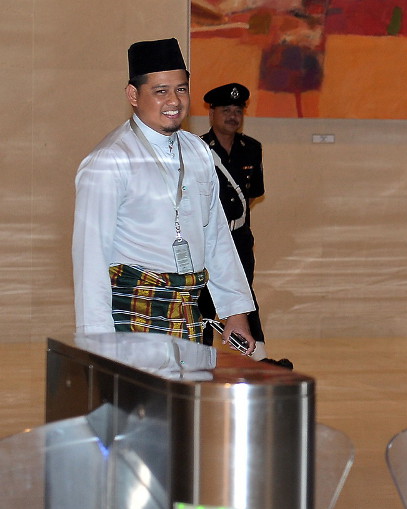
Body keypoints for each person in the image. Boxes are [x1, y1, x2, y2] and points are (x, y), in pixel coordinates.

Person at [72, 38, 256, 355]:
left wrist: (235, 311)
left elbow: (216, 237)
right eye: (161, 91)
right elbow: (91, 260)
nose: (174, 100)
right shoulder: (109, 161)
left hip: (188, 312)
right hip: (132, 314)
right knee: (139, 405)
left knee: (185, 405)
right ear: (133, 95)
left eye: (181, 89)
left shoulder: (197, 150)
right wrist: (98, 345)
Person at [197, 83, 269, 360]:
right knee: (202, 299)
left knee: (242, 295)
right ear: (211, 113)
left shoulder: (252, 148)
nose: (232, 116)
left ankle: (253, 356)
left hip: (238, 238)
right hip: (205, 240)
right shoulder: (198, 148)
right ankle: (199, 358)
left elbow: (253, 195)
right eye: (225, 110)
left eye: (237, 111)